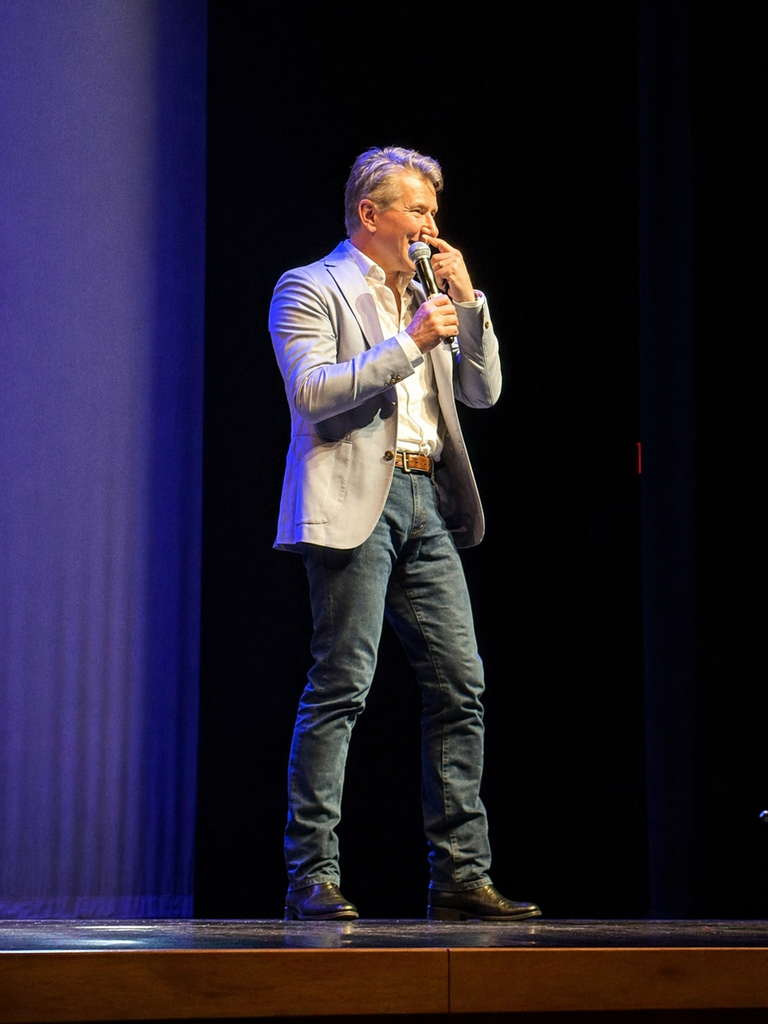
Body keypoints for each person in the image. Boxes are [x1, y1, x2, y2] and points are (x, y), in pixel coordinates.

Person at [269, 146, 540, 922]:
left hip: (428, 496)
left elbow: (482, 393)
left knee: (462, 683)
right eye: (418, 210)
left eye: (432, 211)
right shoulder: (310, 287)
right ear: (371, 215)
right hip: (358, 499)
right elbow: (313, 392)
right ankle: (311, 875)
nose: (432, 225)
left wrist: (470, 303)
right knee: (342, 686)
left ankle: (460, 874)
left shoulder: (427, 290)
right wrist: (409, 343)